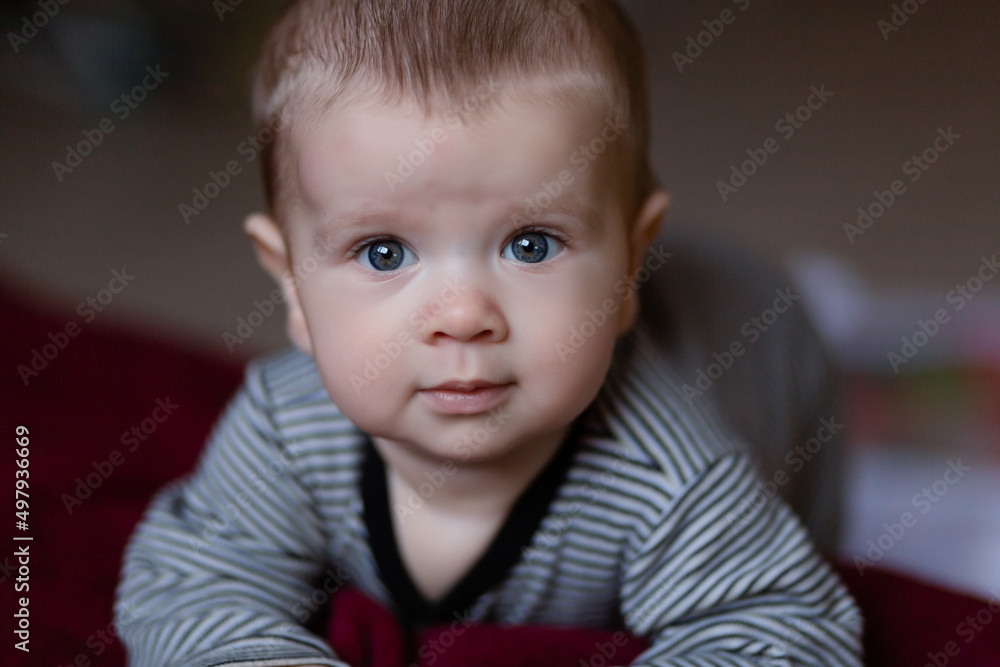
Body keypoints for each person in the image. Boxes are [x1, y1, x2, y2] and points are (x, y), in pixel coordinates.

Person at [115, 1, 862, 664]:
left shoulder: (672, 476)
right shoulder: (285, 429)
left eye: (531, 244)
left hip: (765, 351)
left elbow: (783, 628)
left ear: (632, 267)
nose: (463, 314)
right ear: (291, 283)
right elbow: (189, 583)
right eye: (384, 252)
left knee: (811, 546)